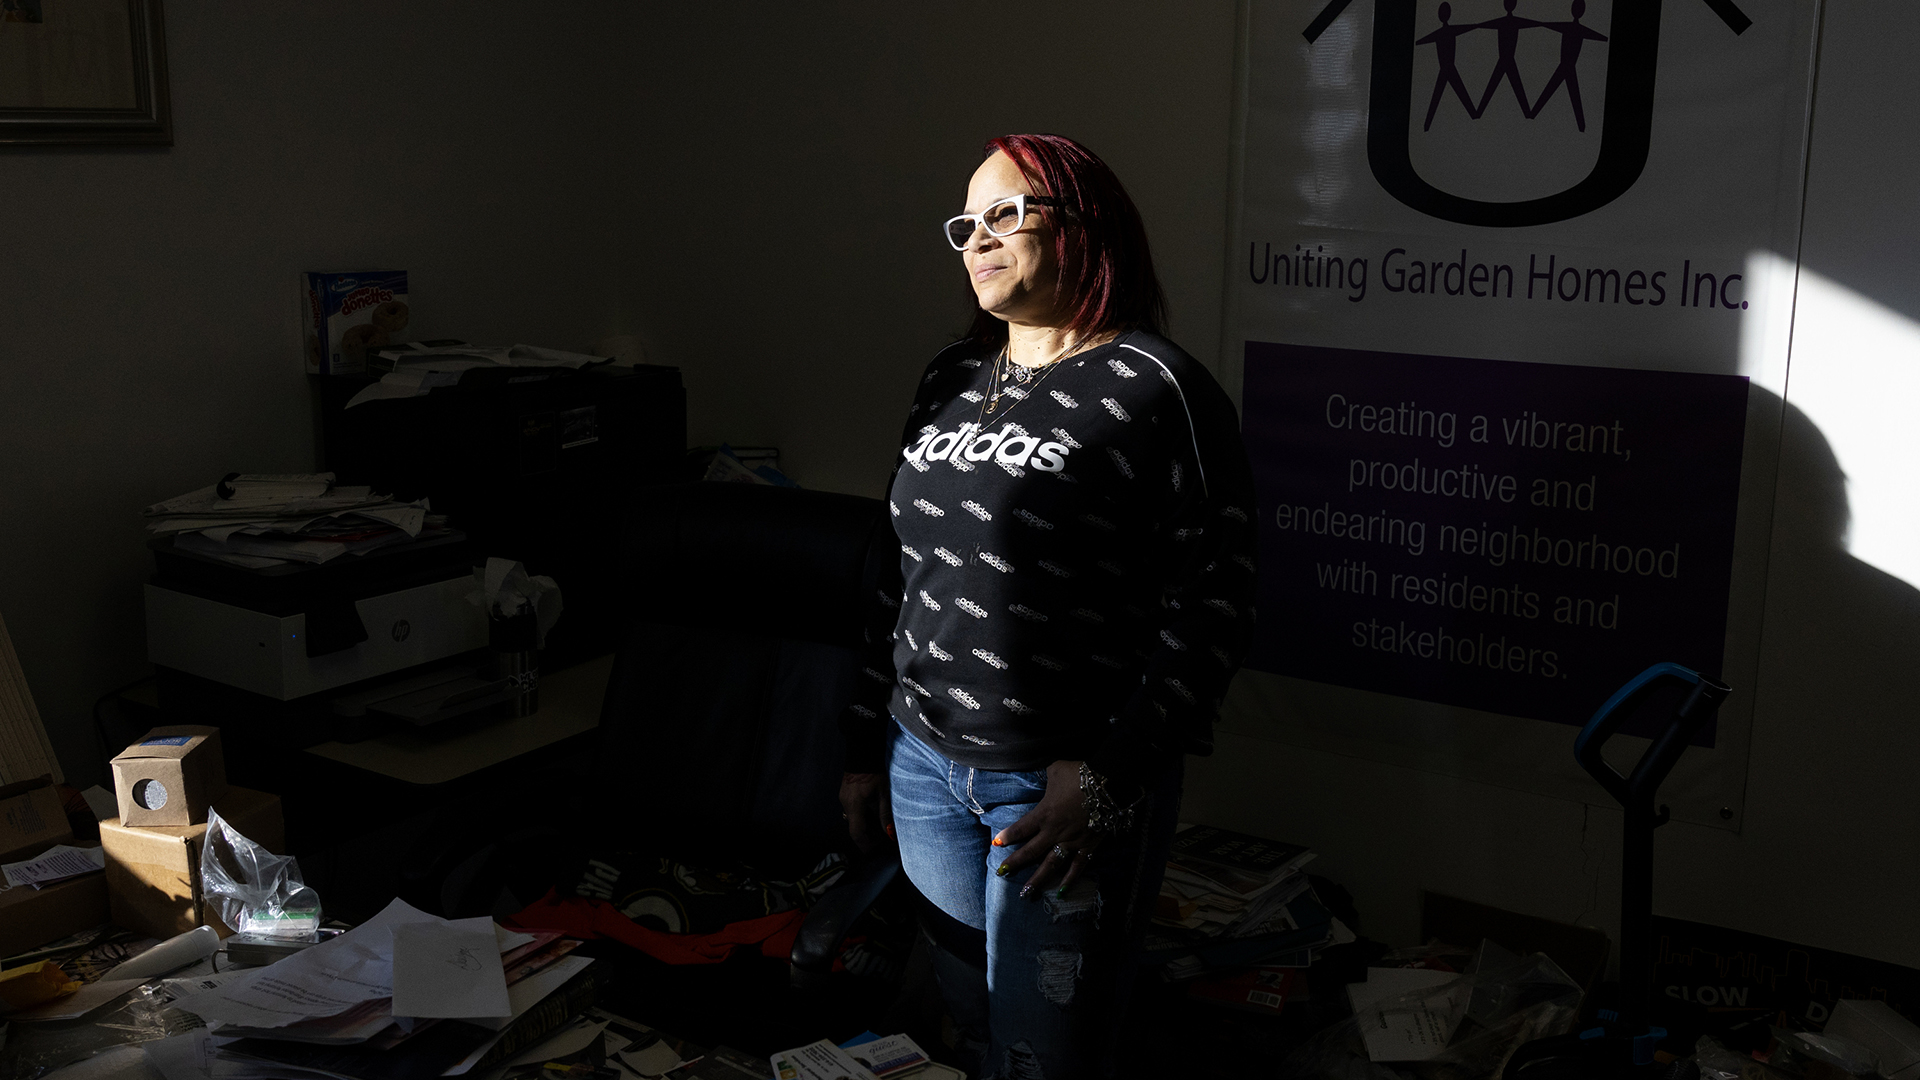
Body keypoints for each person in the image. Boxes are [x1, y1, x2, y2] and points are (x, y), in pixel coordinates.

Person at [837, 133, 1258, 1079]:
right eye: (966, 223)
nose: (977, 239)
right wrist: (866, 744)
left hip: (1052, 792)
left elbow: (1218, 604)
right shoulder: (951, 376)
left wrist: (1109, 777)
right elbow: (893, 572)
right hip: (924, 769)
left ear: (1084, 226)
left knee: (1044, 1053)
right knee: (970, 1028)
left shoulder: (1157, 389)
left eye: (1006, 213)